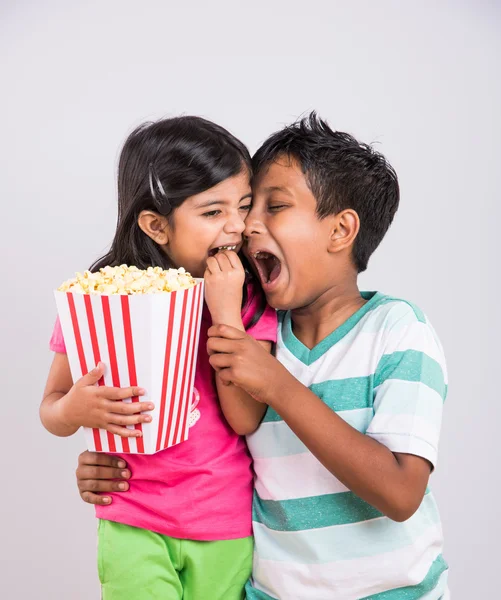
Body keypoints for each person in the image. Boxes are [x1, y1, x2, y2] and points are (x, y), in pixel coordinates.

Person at [77, 113, 449, 599]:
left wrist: (276, 383)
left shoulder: (397, 330)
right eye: (249, 206)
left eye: (272, 206)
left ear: (341, 231)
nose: (246, 225)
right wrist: (115, 466)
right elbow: (207, 445)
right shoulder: (254, 331)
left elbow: (402, 494)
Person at [40, 116, 277, 600]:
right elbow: (52, 408)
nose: (238, 225)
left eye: (244, 205)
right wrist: (73, 410)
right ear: (155, 224)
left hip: (224, 520)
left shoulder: (251, 299)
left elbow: (245, 417)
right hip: (132, 515)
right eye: (213, 212)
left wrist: (226, 310)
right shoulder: (102, 299)